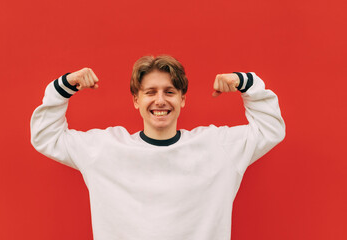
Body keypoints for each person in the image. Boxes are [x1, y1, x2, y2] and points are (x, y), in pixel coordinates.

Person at [30, 55, 285, 240]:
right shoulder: (104, 149)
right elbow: (45, 136)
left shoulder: (217, 147)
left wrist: (244, 82)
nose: (160, 100)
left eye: (170, 92)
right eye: (150, 92)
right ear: (136, 100)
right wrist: (63, 88)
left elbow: (269, 128)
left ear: (183, 99)